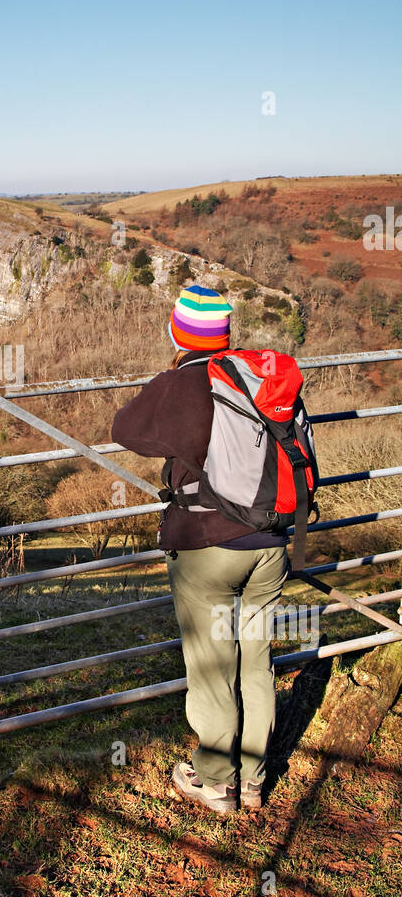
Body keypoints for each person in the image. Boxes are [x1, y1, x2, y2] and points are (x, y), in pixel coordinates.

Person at [109, 284, 288, 814]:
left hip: (209, 546)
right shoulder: (256, 374)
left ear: (178, 332)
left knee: (212, 664)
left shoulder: (183, 383)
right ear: (227, 334)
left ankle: (214, 781)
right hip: (272, 542)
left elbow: (125, 428)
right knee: (255, 661)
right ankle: (253, 780)